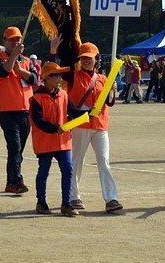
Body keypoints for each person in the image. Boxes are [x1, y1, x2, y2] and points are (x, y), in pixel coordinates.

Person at [50, 37, 123, 213]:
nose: (87, 60)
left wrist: (112, 90)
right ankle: (73, 196)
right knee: (76, 162)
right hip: (79, 125)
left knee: (104, 161)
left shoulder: (103, 79)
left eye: (90, 58)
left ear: (96, 59)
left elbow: (109, 103)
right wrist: (52, 52)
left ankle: (111, 198)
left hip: (100, 124)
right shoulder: (72, 76)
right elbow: (51, 71)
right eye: (83, 57)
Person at [31, 61, 88, 216]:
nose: (60, 79)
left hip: (62, 141)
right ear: (47, 77)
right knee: (43, 172)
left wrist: (88, 113)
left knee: (68, 169)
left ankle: (66, 204)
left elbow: (73, 111)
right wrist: (55, 128)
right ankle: (41, 202)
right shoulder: (36, 98)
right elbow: (38, 121)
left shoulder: (63, 94)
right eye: (57, 76)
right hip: (45, 142)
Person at [0, 26, 37, 194]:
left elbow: (34, 79)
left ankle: (12, 180)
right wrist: (13, 58)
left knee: (18, 150)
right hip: (8, 111)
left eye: (17, 39)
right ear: (4, 41)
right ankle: (16, 180)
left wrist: (20, 69)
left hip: (25, 110)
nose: (15, 42)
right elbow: (4, 72)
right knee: (15, 147)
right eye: (11, 40)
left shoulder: (26, 61)